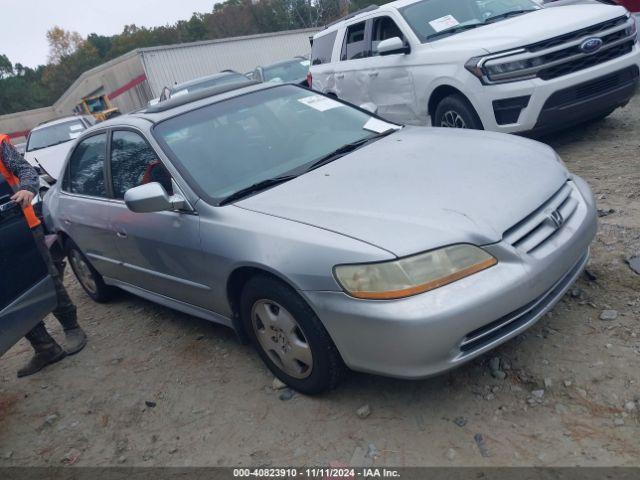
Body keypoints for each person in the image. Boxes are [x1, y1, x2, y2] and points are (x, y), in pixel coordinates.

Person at [0, 134, 87, 377]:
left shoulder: (0, 145)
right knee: (13, 292)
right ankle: (45, 347)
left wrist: (27, 189)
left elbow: (24, 169)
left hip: (20, 224)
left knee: (46, 276)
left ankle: (72, 327)